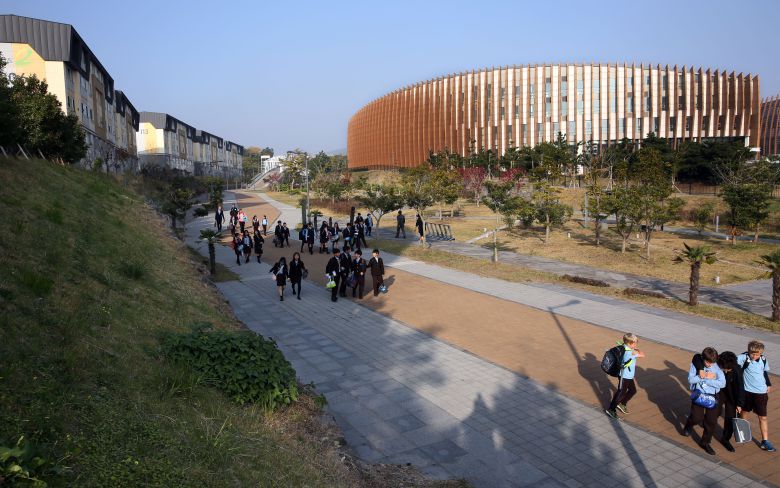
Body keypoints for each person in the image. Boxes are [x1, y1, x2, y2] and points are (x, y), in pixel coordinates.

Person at [682, 347, 726, 455]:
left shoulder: (717, 367)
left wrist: (709, 379)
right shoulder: (697, 365)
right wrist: (704, 376)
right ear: (703, 358)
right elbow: (690, 379)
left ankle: (705, 442)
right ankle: (689, 424)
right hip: (699, 395)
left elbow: (722, 383)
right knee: (697, 417)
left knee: (711, 421)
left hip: (713, 397)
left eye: (712, 363)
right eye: (707, 362)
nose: (710, 365)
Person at [738, 341, 775, 452]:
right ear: (748, 351)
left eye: (757, 354)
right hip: (746, 392)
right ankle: (743, 434)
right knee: (744, 412)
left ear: (761, 353)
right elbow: (731, 365)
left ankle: (765, 441)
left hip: (761, 393)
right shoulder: (742, 357)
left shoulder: (763, 359)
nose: (754, 356)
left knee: (763, 417)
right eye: (752, 353)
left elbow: (763, 372)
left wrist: (768, 384)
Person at [605, 333, 645, 420]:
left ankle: (622, 403)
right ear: (630, 343)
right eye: (635, 343)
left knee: (632, 390)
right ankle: (611, 409)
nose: (636, 344)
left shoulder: (624, 347)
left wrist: (633, 349)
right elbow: (642, 354)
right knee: (621, 392)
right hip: (625, 376)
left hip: (629, 375)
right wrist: (636, 350)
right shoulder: (629, 353)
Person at [713, 351, 745, 452]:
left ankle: (725, 439)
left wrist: (739, 404)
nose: (725, 370)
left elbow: (740, 388)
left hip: (732, 397)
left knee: (730, 418)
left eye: (727, 369)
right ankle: (708, 427)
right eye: (723, 368)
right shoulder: (718, 364)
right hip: (720, 393)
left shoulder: (737, 370)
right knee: (714, 412)